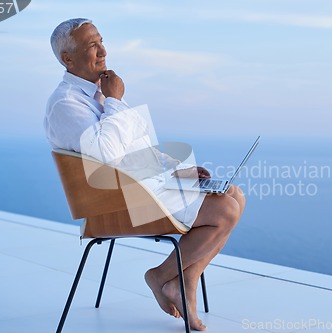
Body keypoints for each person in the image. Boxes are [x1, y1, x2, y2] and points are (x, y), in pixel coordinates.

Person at [44, 18, 245, 331]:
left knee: (234, 195)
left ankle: (186, 278)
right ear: (67, 58)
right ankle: (164, 276)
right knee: (225, 210)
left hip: (138, 187)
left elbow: (138, 152)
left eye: (101, 41)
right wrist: (114, 99)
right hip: (113, 203)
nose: (103, 51)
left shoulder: (103, 95)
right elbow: (107, 157)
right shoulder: (65, 104)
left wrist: (182, 171)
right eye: (91, 45)